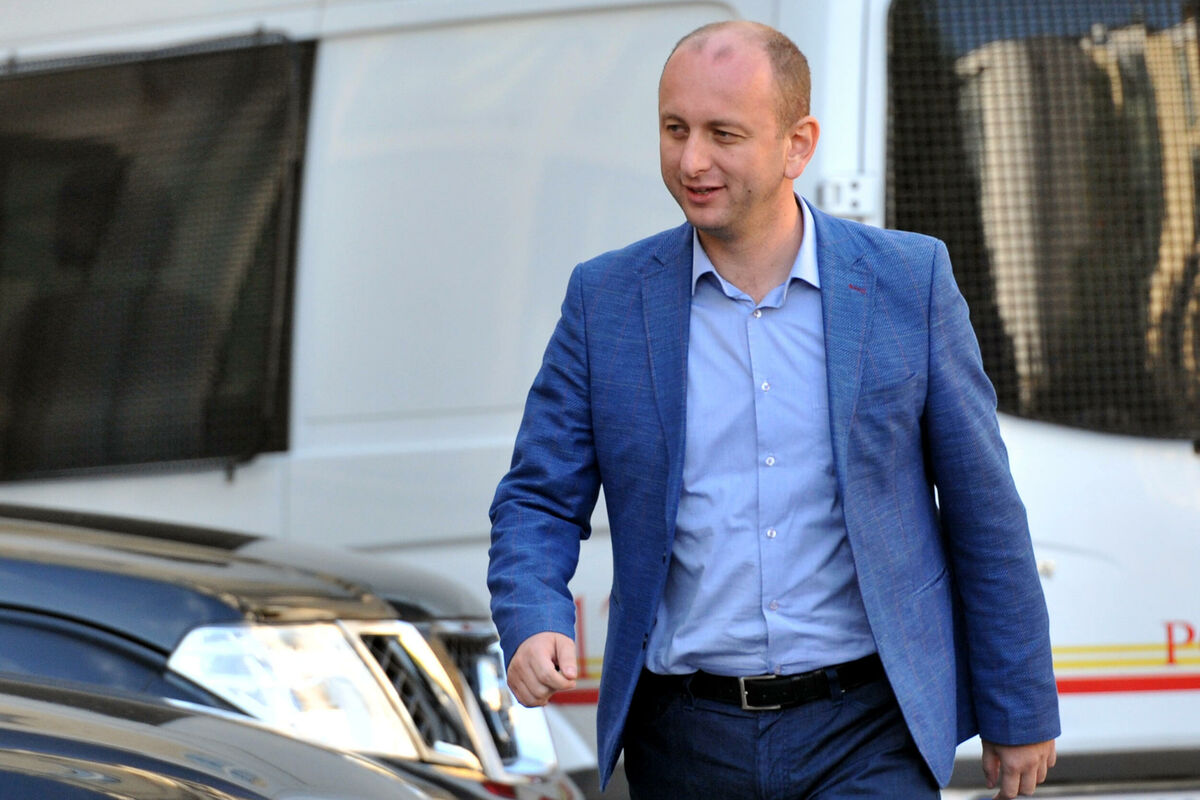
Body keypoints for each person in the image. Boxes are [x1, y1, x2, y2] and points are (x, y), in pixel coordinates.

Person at [488, 19, 1059, 800]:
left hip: (868, 733)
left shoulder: (908, 282)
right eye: (675, 129)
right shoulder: (607, 300)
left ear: (798, 145)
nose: (692, 161)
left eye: (723, 134)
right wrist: (534, 614)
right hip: (685, 741)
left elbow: (983, 509)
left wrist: (1019, 705)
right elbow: (537, 497)